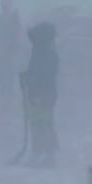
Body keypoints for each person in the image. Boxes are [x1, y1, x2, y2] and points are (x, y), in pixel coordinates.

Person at [22, 22, 60, 167]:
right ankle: (40, 153)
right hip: (40, 94)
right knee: (38, 123)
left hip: (42, 94)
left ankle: (48, 155)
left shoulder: (45, 54)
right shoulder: (41, 52)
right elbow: (36, 72)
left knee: (43, 124)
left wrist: (31, 81)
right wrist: (27, 76)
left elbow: (44, 75)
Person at [0, 0, 23, 93]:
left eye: (5, 5)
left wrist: (18, 43)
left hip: (11, 47)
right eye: (3, 5)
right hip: (1, 47)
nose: (4, 7)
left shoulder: (15, 16)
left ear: (9, 5)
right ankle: (4, 87)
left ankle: (9, 89)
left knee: (10, 67)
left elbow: (18, 30)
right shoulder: (0, 17)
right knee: (2, 67)